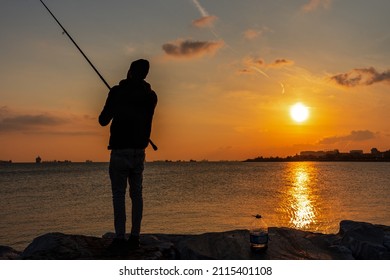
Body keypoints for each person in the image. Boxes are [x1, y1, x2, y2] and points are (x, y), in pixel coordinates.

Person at [99, 59, 157, 254]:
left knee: (118, 195)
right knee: (137, 194)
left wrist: (116, 99)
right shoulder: (151, 96)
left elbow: (102, 120)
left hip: (120, 150)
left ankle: (120, 237)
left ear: (131, 72)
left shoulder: (117, 92)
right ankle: (135, 237)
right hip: (139, 152)